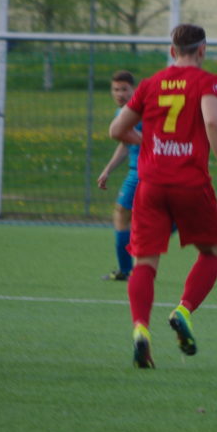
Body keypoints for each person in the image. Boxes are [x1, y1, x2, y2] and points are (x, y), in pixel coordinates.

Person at [110, 23, 217, 369]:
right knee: (211, 252)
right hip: (191, 184)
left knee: (144, 262)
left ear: (171, 51)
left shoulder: (150, 84)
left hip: (151, 185)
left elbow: (117, 129)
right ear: (203, 50)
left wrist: (149, 144)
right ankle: (183, 310)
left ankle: (140, 329)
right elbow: (213, 121)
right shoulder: (209, 81)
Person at [97, 70, 140, 281]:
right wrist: (108, 169)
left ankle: (126, 269)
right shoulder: (122, 112)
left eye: (124, 89)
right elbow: (126, 143)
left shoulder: (139, 111)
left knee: (123, 214)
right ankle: (127, 269)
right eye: (116, 89)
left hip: (144, 172)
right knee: (125, 214)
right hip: (137, 171)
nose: (120, 94)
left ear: (134, 90)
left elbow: (149, 138)